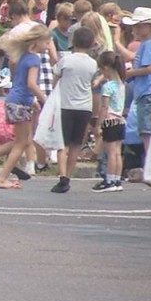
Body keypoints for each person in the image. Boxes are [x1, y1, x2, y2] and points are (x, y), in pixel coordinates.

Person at [0, 24, 50, 189]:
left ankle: (4, 170)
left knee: (24, 140)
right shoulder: (34, 60)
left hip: (16, 99)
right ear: (37, 42)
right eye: (46, 43)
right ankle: (2, 177)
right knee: (21, 143)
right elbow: (31, 84)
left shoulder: (23, 56)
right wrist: (44, 99)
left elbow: (21, 81)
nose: (48, 46)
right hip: (20, 102)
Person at [50, 26, 99, 193]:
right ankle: (69, 176)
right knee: (76, 144)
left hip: (66, 105)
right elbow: (92, 84)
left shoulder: (66, 61)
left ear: (73, 42)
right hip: (85, 107)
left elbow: (55, 80)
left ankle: (62, 176)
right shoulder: (93, 64)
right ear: (92, 43)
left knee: (62, 144)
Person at [123, 7, 151, 151]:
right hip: (146, 92)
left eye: (139, 26)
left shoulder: (148, 45)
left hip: (147, 92)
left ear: (150, 27)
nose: (136, 29)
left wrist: (131, 73)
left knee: (147, 132)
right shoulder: (148, 45)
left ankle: (149, 163)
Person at [93, 51, 127, 192]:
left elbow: (104, 107)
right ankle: (117, 179)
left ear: (106, 68)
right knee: (118, 152)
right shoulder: (121, 84)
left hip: (110, 120)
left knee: (111, 152)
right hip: (120, 120)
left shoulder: (108, 86)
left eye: (101, 69)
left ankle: (110, 179)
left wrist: (99, 124)